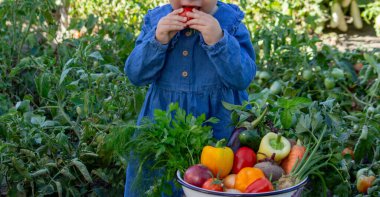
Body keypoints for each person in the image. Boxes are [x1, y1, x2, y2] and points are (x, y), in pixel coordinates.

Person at [124, 0, 256, 196]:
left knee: (214, 183)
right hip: (162, 131)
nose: (188, 2)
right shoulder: (157, 22)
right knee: (157, 184)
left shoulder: (230, 22)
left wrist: (219, 40)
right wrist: (158, 39)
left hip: (217, 130)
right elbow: (135, 74)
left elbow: (242, 77)